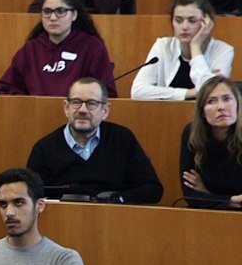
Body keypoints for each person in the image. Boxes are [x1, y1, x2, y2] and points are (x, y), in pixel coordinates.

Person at [26, 78, 163, 204]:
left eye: (91, 103)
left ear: (105, 110)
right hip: (62, 223)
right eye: (76, 102)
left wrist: (119, 199)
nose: (82, 110)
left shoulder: (122, 139)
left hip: (114, 221)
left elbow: (152, 189)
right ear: (66, 107)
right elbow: (30, 196)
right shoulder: (44, 148)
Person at [0, 0, 117, 97]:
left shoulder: (92, 47)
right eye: (47, 11)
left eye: (60, 11)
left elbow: (107, 94)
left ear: (74, 15)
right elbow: (6, 89)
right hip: (35, 115)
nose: (53, 17)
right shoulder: (30, 49)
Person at [133, 0, 234, 100]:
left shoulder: (223, 50)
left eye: (192, 20)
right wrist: (189, 93)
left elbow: (212, 93)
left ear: (207, 22)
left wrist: (195, 46)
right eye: (178, 20)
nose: (184, 26)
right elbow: (137, 91)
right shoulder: (163, 46)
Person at [180, 75, 242, 208]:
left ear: (237, 104)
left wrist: (208, 194)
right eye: (211, 101)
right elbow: (190, 194)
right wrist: (230, 201)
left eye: (227, 99)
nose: (221, 107)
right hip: (208, 217)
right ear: (202, 111)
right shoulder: (192, 134)